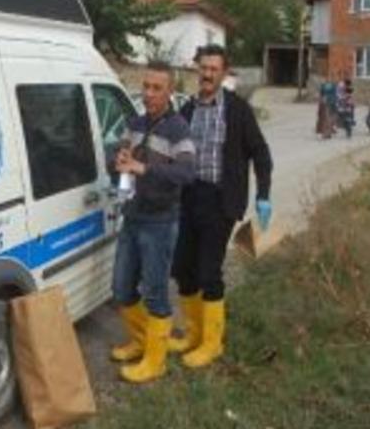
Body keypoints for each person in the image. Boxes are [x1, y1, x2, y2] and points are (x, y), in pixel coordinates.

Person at [169, 44, 273, 368]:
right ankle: (193, 332)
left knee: (208, 271)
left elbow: (261, 153)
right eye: (204, 68)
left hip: (220, 201)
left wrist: (263, 195)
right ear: (197, 69)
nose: (208, 74)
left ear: (224, 73)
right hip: (189, 199)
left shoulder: (238, 110)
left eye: (214, 69)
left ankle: (212, 343)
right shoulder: (186, 110)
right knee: (182, 268)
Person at [109, 62, 196, 383]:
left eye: (156, 88)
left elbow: (187, 173)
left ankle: (155, 362)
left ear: (170, 91)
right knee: (121, 288)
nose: (148, 93)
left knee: (156, 294)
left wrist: (144, 169)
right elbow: (119, 156)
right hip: (132, 217)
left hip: (160, 223)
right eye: (145, 86)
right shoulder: (134, 122)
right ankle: (141, 341)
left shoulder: (178, 129)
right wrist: (117, 160)